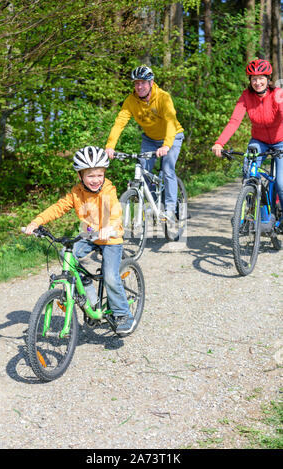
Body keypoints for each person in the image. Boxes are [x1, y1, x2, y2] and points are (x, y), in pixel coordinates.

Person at [24, 145, 135, 335]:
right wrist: (36, 222)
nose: (96, 180)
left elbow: (115, 212)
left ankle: (123, 314)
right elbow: (58, 208)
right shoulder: (76, 193)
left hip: (110, 238)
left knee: (110, 276)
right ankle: (86, 287)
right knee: (66, 254)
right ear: (80, 176)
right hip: (90, 236)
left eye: (100, 175)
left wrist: (109, 228)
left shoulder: (108, 190)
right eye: (90, 176)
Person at [105, 65, 184, 221]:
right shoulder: (130, 101)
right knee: (143, 173)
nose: (139, 86)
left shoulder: (163, 97)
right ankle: (155, 203)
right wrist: (110, 146)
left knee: (168, 169)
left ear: (151, 82)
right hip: (150, 139)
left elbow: (170, 121)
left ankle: (169, 209)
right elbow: (120, 122)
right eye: (136, 83)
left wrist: (167, 145)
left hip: (172, 136)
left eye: (143, 82)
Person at [212, 58, 283, 224]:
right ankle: (251, 210)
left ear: (268, 78)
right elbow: (234, 121)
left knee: (281, 183)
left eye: (261, 78)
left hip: (280, 141)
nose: (258, 82)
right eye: (254, 78)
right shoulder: (246, 96)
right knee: (248, 171)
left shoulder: (278, 94)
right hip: (259, 141)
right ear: (250, 81)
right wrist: (219, 142)